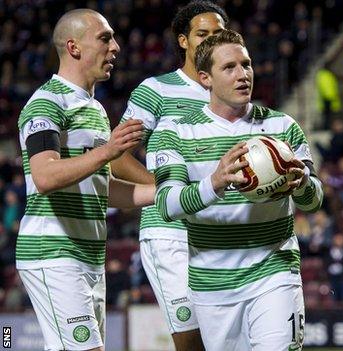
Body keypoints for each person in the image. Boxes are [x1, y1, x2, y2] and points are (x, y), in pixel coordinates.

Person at [154, 29, 323, 351]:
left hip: (274, 271)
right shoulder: (175, 131)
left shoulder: (283, 127)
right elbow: (166, 204)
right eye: (229, 67)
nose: (243, 74)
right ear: (205, 78)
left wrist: (301, 184)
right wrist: (214, 182)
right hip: (212, 284)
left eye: (246, 65)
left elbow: (315, 199)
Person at [16, 9, 154, 351]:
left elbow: (101, 189)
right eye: (105, 38)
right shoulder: (47, 103)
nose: (116, 48)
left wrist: (166, 193)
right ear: (74, 47)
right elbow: (45, 175)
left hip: (88, 256)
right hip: (52, 251)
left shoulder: (94, 109)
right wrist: (107, 152)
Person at [112, 2, 227, 349]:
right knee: (191, 340)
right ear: (183, 41)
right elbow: (117, 157)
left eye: (218, 34)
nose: (211, 40)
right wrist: (169, 190)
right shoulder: (156, 90)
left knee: (225, 338)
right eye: (202, 34)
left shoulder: (232, 91)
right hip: (169, 232)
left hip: (222, 229)